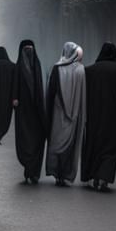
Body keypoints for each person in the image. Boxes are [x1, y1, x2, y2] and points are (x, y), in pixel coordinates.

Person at [81, 42, 116, 192]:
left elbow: (85, 95)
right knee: (111, 148)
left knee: (95, 146)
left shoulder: (89, 70)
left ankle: (95, 175)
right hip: (114, 117)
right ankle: (104, 178)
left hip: (94, 116)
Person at [45, 41, 85, 186]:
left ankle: (57, 174)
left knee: (56, 143)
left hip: (57, 114)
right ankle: (65, 174)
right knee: (69, 145)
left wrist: (47, 114)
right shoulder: (80, 70)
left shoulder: (56, 68)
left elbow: (50, 94)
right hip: (74, 116)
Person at [11, 39, 46, 184]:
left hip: (37, 111)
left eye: (31, 48)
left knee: (38, 140)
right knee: (26, 141)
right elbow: (14, 86)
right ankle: (29, 168)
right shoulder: (17, 67)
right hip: (24, 112)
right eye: (26, 49)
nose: (28, 51)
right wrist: (14, 98)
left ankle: (34, 172)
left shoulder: (37, 64)